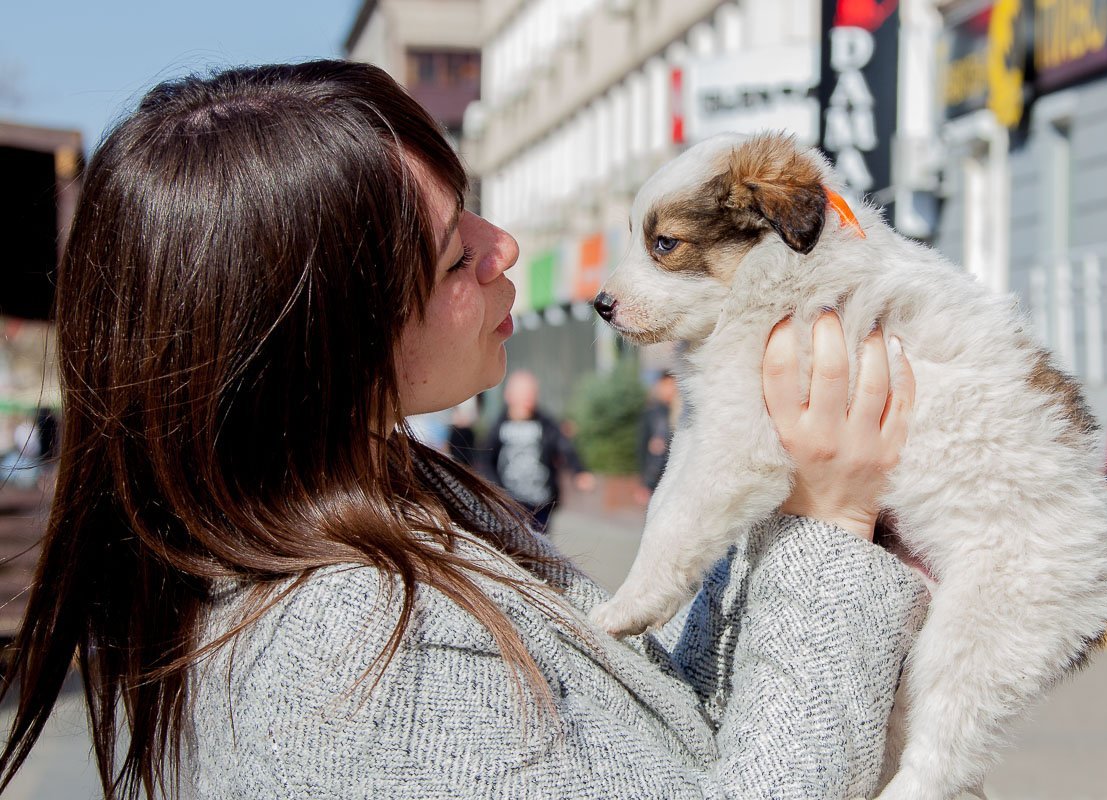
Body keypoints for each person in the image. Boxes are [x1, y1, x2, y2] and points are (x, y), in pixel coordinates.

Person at [0, 61, 927, 799]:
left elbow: (668, 737)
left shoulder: (389, 502)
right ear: (324, 333)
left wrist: (803, 501)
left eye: (470, 202)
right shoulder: (356, 661)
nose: (503, 249)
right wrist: (829, 529)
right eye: (454, 253)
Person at [480, 370, 595, 532]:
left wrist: (579, 471)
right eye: (523, 392)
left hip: (541, 502)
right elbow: (485, 459)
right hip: (510, 502)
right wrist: (493, 490)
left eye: (532, 392)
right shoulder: (498, 427)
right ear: (509, 395)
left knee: (539, 545)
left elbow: (564, 446)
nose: (529, 397)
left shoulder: (545, 424)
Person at [637, 371, 678, 505]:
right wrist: (644, 483)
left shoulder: (682, 412)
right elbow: (642, 447)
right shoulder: (653, 414)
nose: (669, 389)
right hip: (655, 477)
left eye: (672, 385)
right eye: (665, 385)